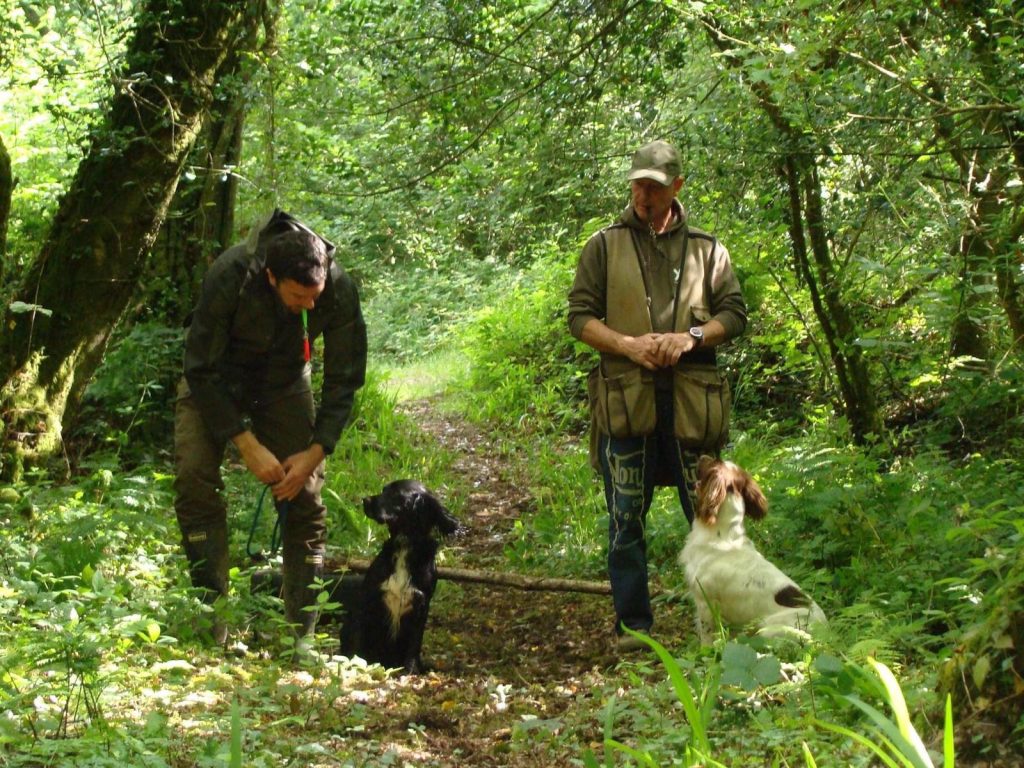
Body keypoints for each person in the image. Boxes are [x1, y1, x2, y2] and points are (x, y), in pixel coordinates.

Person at [567, 140, 747, 650]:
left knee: (710, 517)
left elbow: (734, 315)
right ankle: (633, 630)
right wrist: (627, 344)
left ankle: (720, 628)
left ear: (677, 187)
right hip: (626, 402)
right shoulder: (603, 246)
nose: (643, 195)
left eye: (655, 186)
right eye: (637, 184)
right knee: (625, 520)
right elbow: (579, 317)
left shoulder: (709, 250)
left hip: (694, 407)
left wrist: (690, 339)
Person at [173, 209, 367, 647]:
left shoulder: (337, 286)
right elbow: (200, 368)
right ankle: (212, 625)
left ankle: (301, 635)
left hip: (284, 382)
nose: (311, 306)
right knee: (194, 477)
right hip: (216, 379)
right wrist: (245, 443)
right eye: (299, 296)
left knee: (305, 493)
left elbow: (345, 377)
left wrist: (315, 452)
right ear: (272, 278)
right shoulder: (230, 275)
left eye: (315, 295)